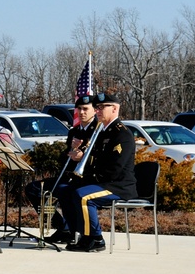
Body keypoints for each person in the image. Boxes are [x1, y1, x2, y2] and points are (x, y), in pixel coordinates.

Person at [57, 92, 136, 253]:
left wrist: (89, 178)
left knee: (83, 196)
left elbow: (114, 168)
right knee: (66, 191)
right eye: (97, 107)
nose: (97, 110)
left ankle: (95, 238)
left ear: (114, 109)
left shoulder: (122, 134)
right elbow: (94, 158)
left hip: (118, 185)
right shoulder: (102, 131)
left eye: (101, 107)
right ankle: (77, 234)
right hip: (103, 181)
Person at [24, 94, 98, 243]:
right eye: (79, 109)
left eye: (85, 109)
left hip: (88, 180)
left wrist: (83, 156)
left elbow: (100, 159)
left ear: (95, 111)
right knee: (33, 189)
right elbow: (63, 159)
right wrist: (71, 150)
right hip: (69, 176)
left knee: (65, 192)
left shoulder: (98, 132)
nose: (82, 112)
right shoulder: (74, 132)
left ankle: (72, 230)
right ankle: (62, 226)